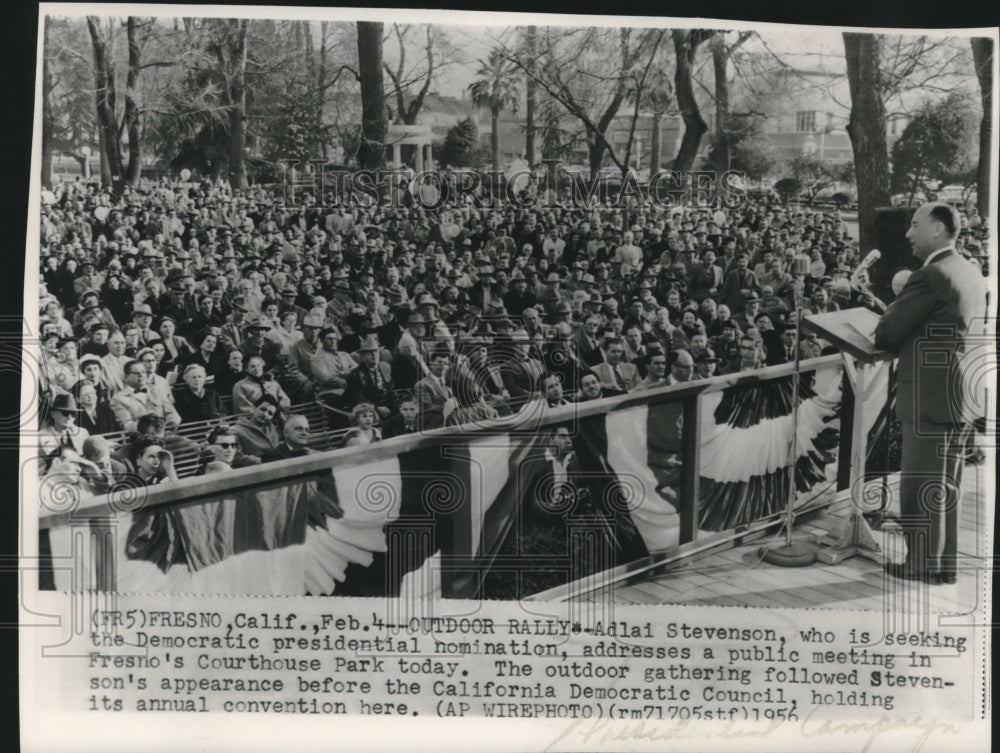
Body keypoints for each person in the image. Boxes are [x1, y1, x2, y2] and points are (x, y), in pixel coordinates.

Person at [874, 202, 988, 585]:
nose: (909, 233)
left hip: (929, 396)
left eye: (915, 225)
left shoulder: (931, 275)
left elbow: (887, 333)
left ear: (937, 230)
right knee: (946, 487)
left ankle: (921, 566)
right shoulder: (970, 271)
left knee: (921, 484)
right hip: (958, 395)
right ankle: (940, 566)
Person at [232, 395, 282, 460]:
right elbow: (237, 457)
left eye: (270, 413)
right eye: (263, 409)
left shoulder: (274, 429)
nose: (265, 414)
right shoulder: (237, 430)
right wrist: (261, 462)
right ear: (254, 408)